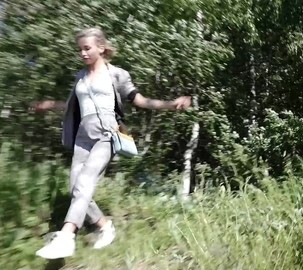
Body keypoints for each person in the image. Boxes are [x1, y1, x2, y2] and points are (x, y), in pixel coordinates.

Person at [32, 27, 191, 259]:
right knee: (76, 186)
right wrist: (48, 105)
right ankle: (105, 225)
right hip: (82, 136)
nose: (83, 53)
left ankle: (67, 236)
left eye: (87, 48)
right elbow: (72, 107)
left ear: (101, 48)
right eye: (80, 50)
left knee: (85, 181)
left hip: (107, 133)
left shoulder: (117, 74)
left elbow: (140, 100)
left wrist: (170, 104)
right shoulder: (80, 77)